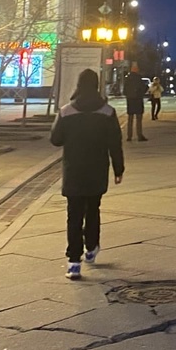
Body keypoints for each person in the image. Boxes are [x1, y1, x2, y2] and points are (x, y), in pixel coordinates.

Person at [50, 69, 124, 280]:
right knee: (93, 209)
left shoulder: (66, 111)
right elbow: (115, 144)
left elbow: (56, 140)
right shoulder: (108, 112)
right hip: (97, 170)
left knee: (73, 215)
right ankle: (91, 247)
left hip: (74, 171)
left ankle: (74, 262)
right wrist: (119, 169)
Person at [123, 64, 148, 142]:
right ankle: (139, 135)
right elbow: (143, 88)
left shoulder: (127, 78)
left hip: (130, 101)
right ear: (136, 69)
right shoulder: (138, 78)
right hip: (138, 100)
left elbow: (124, 90)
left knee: (130, 119)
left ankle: (129, 136)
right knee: (138, 119)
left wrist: (128, 95)